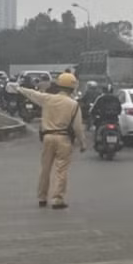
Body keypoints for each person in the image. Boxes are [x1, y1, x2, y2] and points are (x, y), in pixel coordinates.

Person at [17, 72, 86, 209]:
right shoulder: (73, 104)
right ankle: (57, 198)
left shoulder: (48, 99)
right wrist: (82, 143)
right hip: (64, 139)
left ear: (59, 85)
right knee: (61, 170)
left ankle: (42, 197)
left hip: (48, 138)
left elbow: (32, 94)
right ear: (73, 89)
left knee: (45, 169)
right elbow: (78, 127)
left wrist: (18, 88)